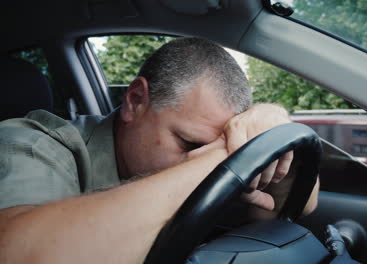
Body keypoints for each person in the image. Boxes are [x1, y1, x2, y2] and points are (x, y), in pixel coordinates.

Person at [0, 38, 319, 263]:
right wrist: (221, 155)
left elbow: (301, 203)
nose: (199, 160)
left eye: (219, 146)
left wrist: (273, 132)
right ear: (135, 101)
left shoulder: (207, 151)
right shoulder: (34, 144)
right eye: (191, 145)